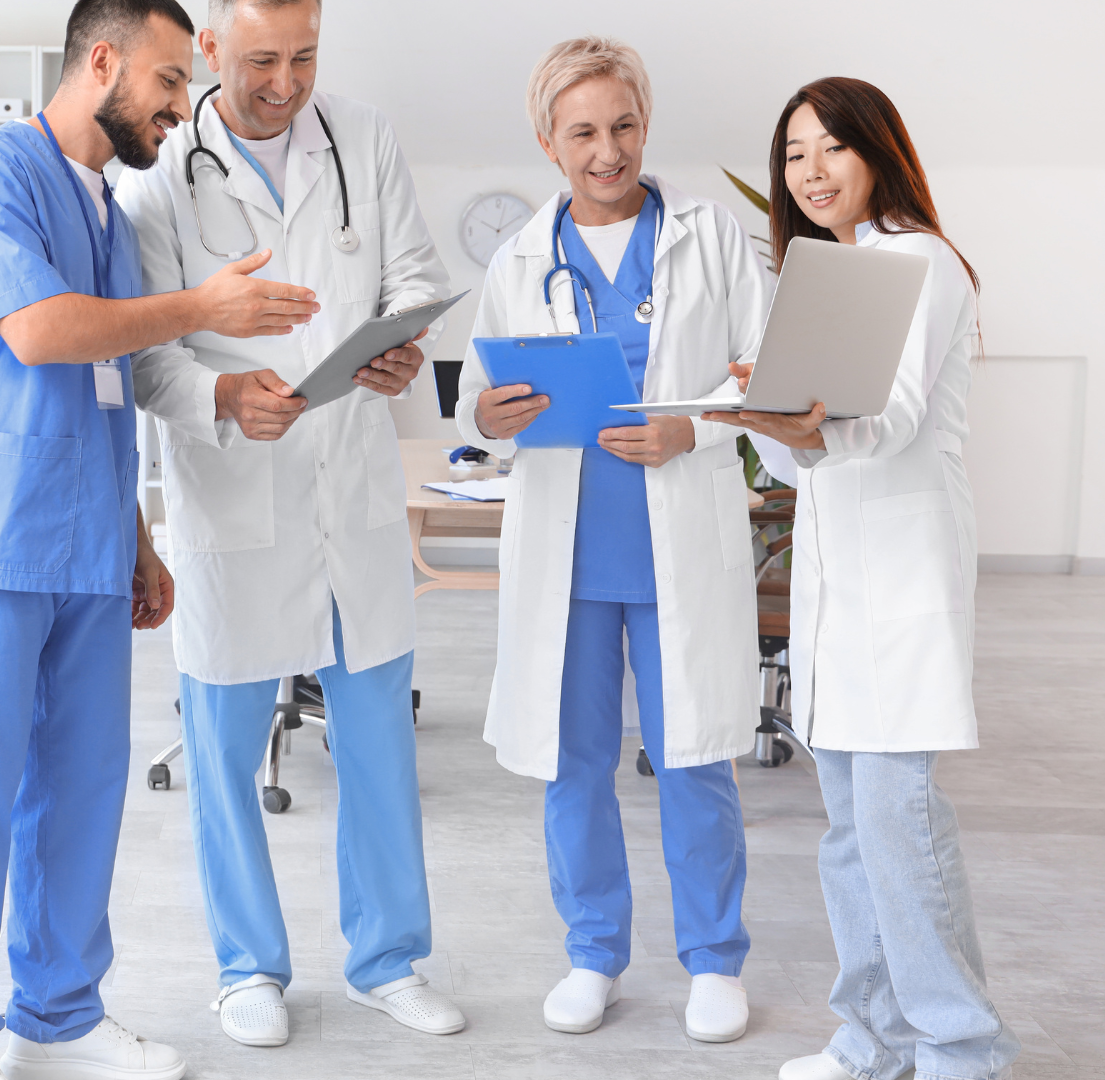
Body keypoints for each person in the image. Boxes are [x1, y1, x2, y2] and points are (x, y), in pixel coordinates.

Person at [0, 0, 326, 1076]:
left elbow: (106, 391)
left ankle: (60, 1017)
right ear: (104, 62)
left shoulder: (106, 211)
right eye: (173, 82)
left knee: (84, 785)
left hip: (85, 541)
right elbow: (42, 332)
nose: (187, 109)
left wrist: (134, 538)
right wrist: (201, 305)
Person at [114, 0, 463, 1049]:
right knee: (220, 751)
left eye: (304, 56)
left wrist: (399, 346)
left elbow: (416, 276)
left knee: (375, 742)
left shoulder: (363, 136)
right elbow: (141, 355)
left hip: (348, 485)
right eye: (261, 58)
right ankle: (246, 968)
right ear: (211, 51)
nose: (284, 81)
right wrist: (220, 401)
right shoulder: (160, 177)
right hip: (231, 489)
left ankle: (388, 959)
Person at [705, 76, 1021, 1080]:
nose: (810, 169)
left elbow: (884, 423)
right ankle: (873, 1038)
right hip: (837, 591)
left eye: (831, 146)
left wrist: (808, 423)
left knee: (899, 826)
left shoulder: (919, 262)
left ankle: (962, 1050)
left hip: (905, 578)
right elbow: (816, 455)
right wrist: (769, 419)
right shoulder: (826, 274)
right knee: (850, 829)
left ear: (878, 150)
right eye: (795, 153)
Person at [451, 36, 764, 1043]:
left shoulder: (711, 238)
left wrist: (695, 426)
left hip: (678, 544)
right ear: (548, 140)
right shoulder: (518, 257)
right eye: (583, 131)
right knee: (573, 763)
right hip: (569, 556)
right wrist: (489, 418)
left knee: (694, 758)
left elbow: (764, 379)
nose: (608, 150)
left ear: (646, 124)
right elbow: (475, 401)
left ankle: (714, 959)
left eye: (623, 126)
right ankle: (594, 953)